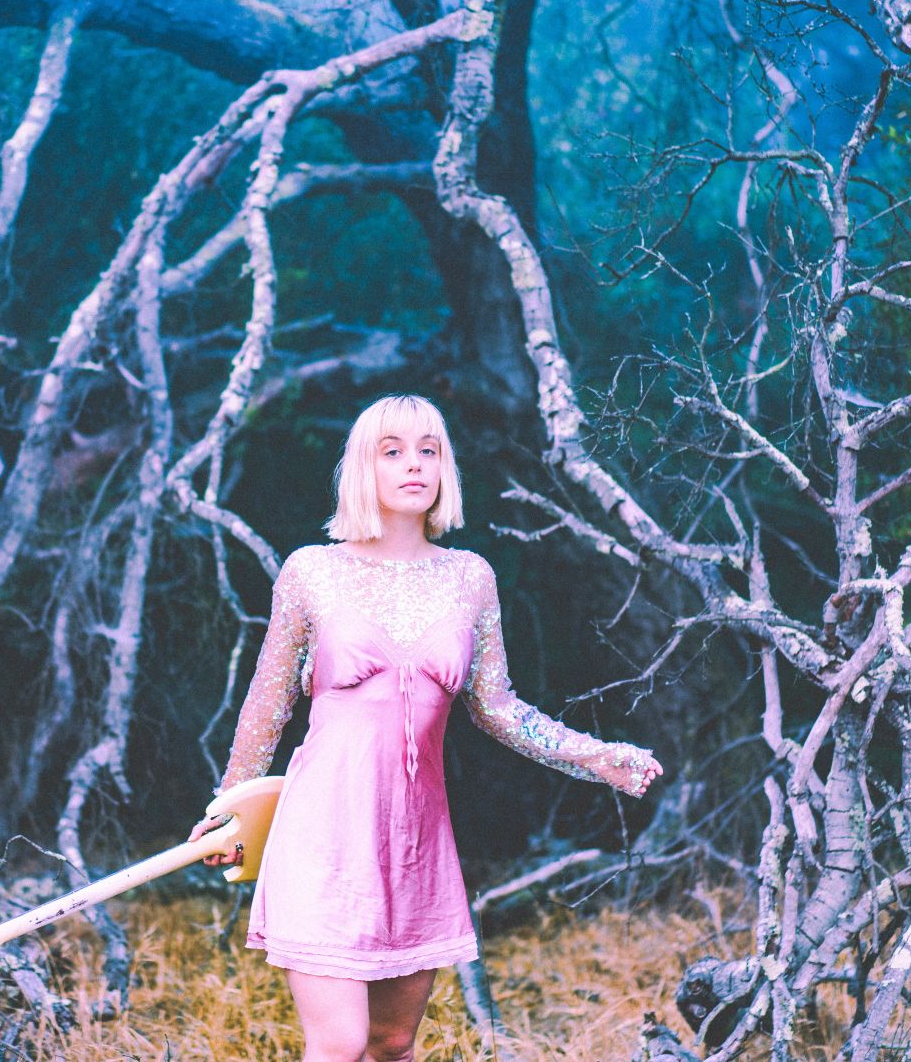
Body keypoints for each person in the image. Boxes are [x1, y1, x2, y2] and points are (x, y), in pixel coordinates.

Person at [188, 394, 662, 1062]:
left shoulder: (470, 577)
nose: (414, 464)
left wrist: (595, 756)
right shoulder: (312, 571)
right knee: (340, 1043)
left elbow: (498, 707)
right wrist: (228, 810)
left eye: (428, 450)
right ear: (364, 467)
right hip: (323, 833)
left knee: (392, 1043)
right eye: (393, 451)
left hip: (415, 843)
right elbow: (267, 702)